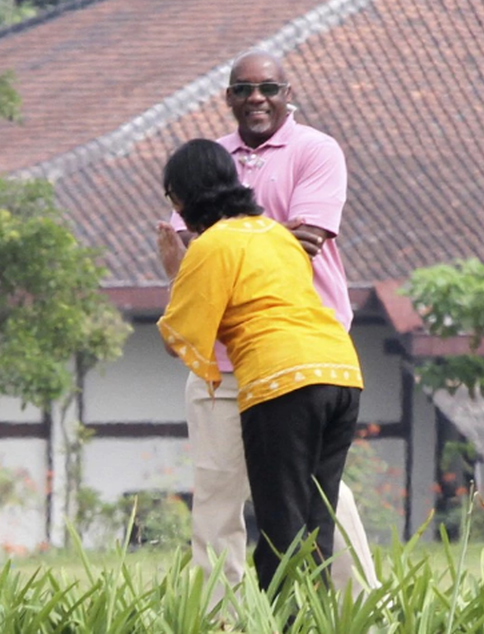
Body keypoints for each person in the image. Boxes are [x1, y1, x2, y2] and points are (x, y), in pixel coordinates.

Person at [156, 49, 379, 597]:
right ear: (227, 96)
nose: (256, 97)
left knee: (304, 507)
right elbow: (273, 237)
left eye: (269, 88)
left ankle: (357, 604)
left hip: (281, 360)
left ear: (287, 92)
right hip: (241, 361)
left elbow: (306, 239)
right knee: (219, 491)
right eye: (242, 88)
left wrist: (210, 253)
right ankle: (220, 614)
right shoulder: (213, 157)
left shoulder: (315, 150)